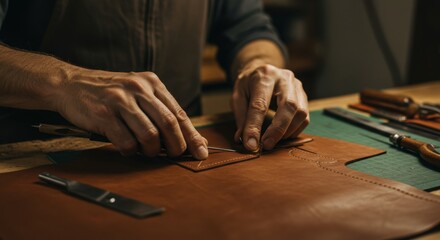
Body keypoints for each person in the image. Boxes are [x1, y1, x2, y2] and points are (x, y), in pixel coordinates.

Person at [0, 0, 309, 160]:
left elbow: (249, 27)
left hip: (181, 151)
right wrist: (65, 83)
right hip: (35, 152)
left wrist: (258, 66)